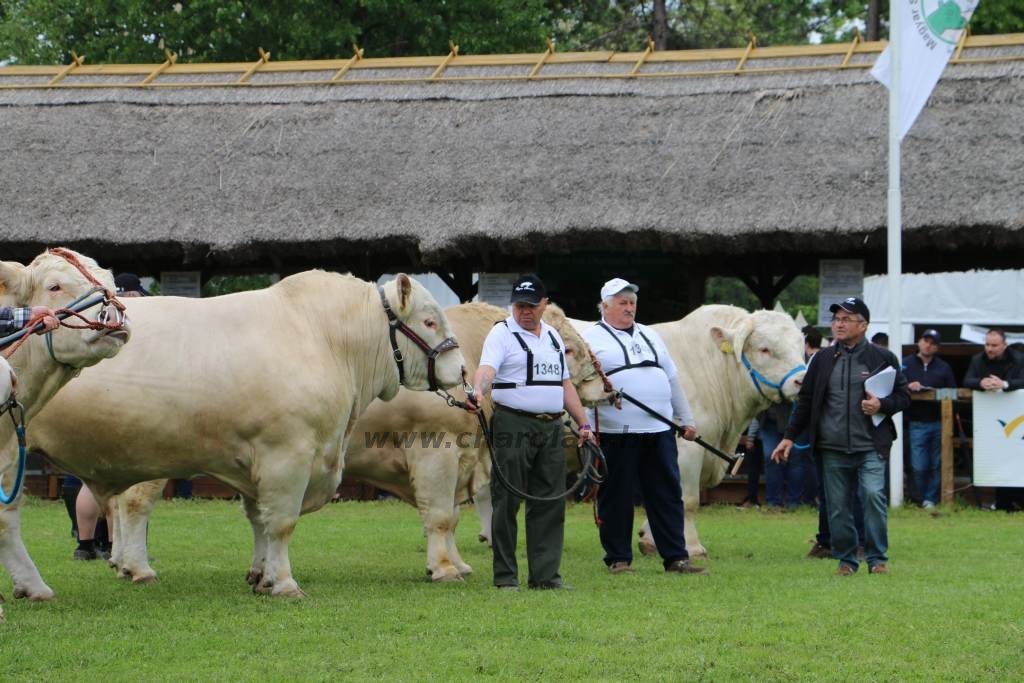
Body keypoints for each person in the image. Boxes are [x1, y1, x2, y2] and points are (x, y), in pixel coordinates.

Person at [469, 274, 596, 591]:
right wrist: (478, 390)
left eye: (531, 305)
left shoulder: (553, 336)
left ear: (545, 305)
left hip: (552, 426)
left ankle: (546, 576)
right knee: (507, 499)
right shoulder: (502, 334)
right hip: (514, 423)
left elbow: (565, 385)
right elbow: (487, 370)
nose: (524, 311)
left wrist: (583, 423)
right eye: (519, 305)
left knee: (550, 500)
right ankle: (505, 577)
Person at [772, 297, 910, 575]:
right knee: (836, 507)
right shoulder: (821, 359)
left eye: (846, 319)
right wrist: (789, 436)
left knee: (872, 497)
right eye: (836, 319)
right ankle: (846, 560)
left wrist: (881, 405)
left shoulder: (883, 358)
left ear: (864, 325)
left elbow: (904, 396)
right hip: (831, 447)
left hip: (870, 445)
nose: (839, 324)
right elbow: (806, 401)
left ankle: (876, 558)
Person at [582, 277, 707, 576]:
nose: (629, 308)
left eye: (632, 303)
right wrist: (585, 427)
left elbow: (672, 379)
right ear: (605, 306)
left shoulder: (651, 335)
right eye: (622, 303)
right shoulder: (590, 339)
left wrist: (686, 419)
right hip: (616, 432)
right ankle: (618, 558)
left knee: (666, 493)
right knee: (617, 495)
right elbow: (582, 386)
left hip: (659, 429)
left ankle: (676, 557)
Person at [964, 328, 1024, 511]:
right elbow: (967, 380)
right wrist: (980, 383)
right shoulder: (977, 359)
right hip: (990, 421)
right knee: (997, 458)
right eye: (987, 344)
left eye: (994, 345)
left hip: (1016, 420)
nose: (989, 349)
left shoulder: (1019, 359)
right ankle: (1002, 503)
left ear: (1005, 345)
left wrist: (1005, 385)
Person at [902, 329, 957, 508]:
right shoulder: (905, 364)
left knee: (937, 463)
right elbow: (894, 387)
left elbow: (953, 392)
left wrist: (933, 391)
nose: (928, 345)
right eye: (925, 341)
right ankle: (919, 498)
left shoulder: (944, 367)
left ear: (937, 348)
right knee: (918, 465)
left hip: (939, 421)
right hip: (915, 421)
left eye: (933, 343)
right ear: (919, 342)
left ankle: (930, 499)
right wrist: (908, 386)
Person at [757, 400, 803, 510]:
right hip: (769, 421)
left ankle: (794, 502)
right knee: (771, 457)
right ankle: (773, 502)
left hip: (796, 420)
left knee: (795, 459)